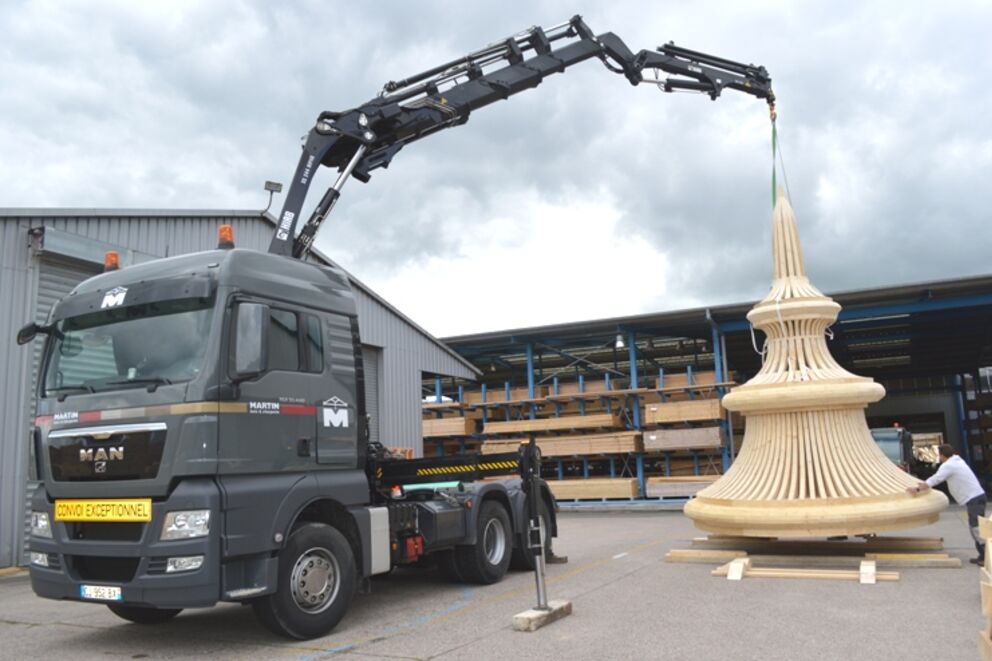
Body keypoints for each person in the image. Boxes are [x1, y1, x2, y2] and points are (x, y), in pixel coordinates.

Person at [907, 444, 987, 565]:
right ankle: (983, 555)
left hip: (974, 499)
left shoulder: (949, 465)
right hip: (977, 497)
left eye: (939, 455)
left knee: (976, 528)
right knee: (975, 527)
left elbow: (936, 479)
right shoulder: (957, 461)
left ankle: (986, 556)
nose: (938, 457)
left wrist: (917, 489)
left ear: (943, 455)